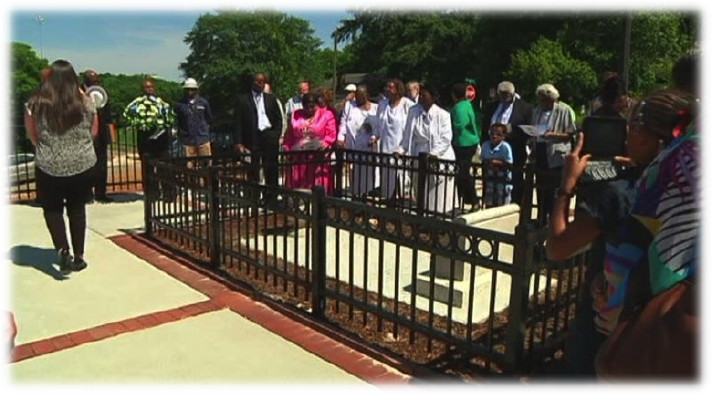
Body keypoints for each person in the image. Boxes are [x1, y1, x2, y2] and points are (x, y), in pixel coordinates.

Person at [548, 89, 698, 375]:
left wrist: (567, 185)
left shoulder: (621, 194)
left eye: (637, 124)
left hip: (605, 340)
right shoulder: (688, 194)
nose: (628, 130)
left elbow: (557, 247)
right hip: (657, 342)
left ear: (662, 137)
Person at [24, 59, 99, 275]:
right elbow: (93, 132)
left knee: (52, 209)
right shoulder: (86, 103)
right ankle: (79, 256)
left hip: (49, 164)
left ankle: (62, 250)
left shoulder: (35, 103)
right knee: (77, 208)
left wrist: (49, 148)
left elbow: (32, 135)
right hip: (82, 163)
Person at [396, 83, 455, 214]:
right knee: (421, 189)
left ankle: (439, 219)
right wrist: (401, 149)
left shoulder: (443, 115)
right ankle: (424, 217)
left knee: (438, 194)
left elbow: (446, 139)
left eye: (424, 95)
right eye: (420, 95)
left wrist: (434, 153)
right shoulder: (413, 111)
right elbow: (408, 134)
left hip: (439, 155)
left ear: (433, 97)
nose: (421, 98)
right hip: (419, 153)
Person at [531, 83, 576, 225]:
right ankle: (541, 216)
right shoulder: (537, 110)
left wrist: (552, 135)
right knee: (540, 186)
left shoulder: (564, 110)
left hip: (556, 154)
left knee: (554, 187)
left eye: (544, 98)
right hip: (540, 149)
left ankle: (554, 218)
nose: (542, 102)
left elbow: (570, 134)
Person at [122, 78, 175, 199]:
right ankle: (153, 194)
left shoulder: (162, 103)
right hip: (145, 142)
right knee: (148, 169)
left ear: (155, 88)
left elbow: (169, 118)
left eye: (150, 87)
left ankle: (169, 194)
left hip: (161, 142)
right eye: (146, 87)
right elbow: (128, 114)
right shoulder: (137, 104)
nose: (149, 89)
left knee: (164, 167)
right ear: (142, 90)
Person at [483, 81, 532, 205]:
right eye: (501, 95)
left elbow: (529, 129)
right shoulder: (492, 107)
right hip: (492, 150)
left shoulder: (524, 108)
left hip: (514, 150)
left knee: (514, 180)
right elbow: (484, 126)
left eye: (506, 95)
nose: (504, 98)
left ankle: (515, 205)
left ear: (512, 94)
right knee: (492, 182)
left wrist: (512, 130)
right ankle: (491, 205)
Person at [233, 72, 284, 189]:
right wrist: (238, 142)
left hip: (269, 136)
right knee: (253, 170)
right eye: (257, 81)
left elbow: (278, 119)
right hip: (252, 137)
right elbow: (238, 122)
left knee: (271, 169)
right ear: (252, 82)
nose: (260, 84)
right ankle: (254, 198)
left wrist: (276, 134)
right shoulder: (242, 100)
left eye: (262, 82)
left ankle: (271, 196)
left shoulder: (271, 99)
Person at [283, 93, 337, 194]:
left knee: (317, 185)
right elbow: (289, 134)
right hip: (299, 156)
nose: (309, 110)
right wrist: (287, 148)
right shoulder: (296, 115)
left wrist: (325, 144)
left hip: (318, 156)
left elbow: (331, 133)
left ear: (316, 105)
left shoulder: (326, 115)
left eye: (312, 106)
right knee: (299, 184)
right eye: (306, 107)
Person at [373, 78, 415, 200]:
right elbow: (378, 124)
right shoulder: (382, 104)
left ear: (397, 89)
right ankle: (389, 204)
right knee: (387, 180)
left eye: (390, 87)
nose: (387, 89)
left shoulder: (407, 105)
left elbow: (411, 127)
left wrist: (403, 147)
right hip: (386, 147)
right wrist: (375, 136)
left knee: (401, 179)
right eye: (387, 87)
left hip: (401, 149)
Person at [335, 85, 378, 197]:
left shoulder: (375, 108)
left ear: (367, 95)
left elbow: (380, 127)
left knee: (368, 174)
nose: (358, 98)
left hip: (368, 146)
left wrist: (374, 135)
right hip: (353, 145)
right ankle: (356, 195)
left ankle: (367, 195)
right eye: (357, 95)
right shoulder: (349, 106)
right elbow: (343, 123)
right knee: (355, 172)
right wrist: (340, 138)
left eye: (361, 95)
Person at [81, 70, 116, 203]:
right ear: (85, 79)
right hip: (84, 135)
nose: (95, 81)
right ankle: (86, 194)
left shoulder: (102, 93)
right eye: (92, 79)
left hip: (101, 135)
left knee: (101, 165)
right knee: (86, 166)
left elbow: (108, 115)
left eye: (96, 79)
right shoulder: (78, 92)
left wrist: (111, 135)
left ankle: (101, 193)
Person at [450, 83, 481, 210]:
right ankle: (468, 199)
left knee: (463, 173)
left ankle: (472, 200)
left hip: (463, 143)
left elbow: (459, 125)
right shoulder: (469, 105)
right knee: (465, 172)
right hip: (472, 141)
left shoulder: (458, 108)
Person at [174, 77, 213, 168]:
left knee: (205, 166)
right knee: (189, 167)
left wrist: (205, 130)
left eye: (192, 89)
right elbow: (178, 119)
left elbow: (209, 118)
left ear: (196, 90)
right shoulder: (180, 105)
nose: (189, 91)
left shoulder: (204, 103)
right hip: (187, 140)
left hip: (202, 139)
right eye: (187, 89)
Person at [480, 123, 513, 207]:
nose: (494, 136)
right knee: (489, 203)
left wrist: (496, 162)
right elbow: (483, 160)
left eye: (498, 134)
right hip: (489, 180)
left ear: (503, 136)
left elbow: (509, 164)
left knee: (502, 205)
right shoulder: (485, 145)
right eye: (492, 134)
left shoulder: (505, 147)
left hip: (502, 181)